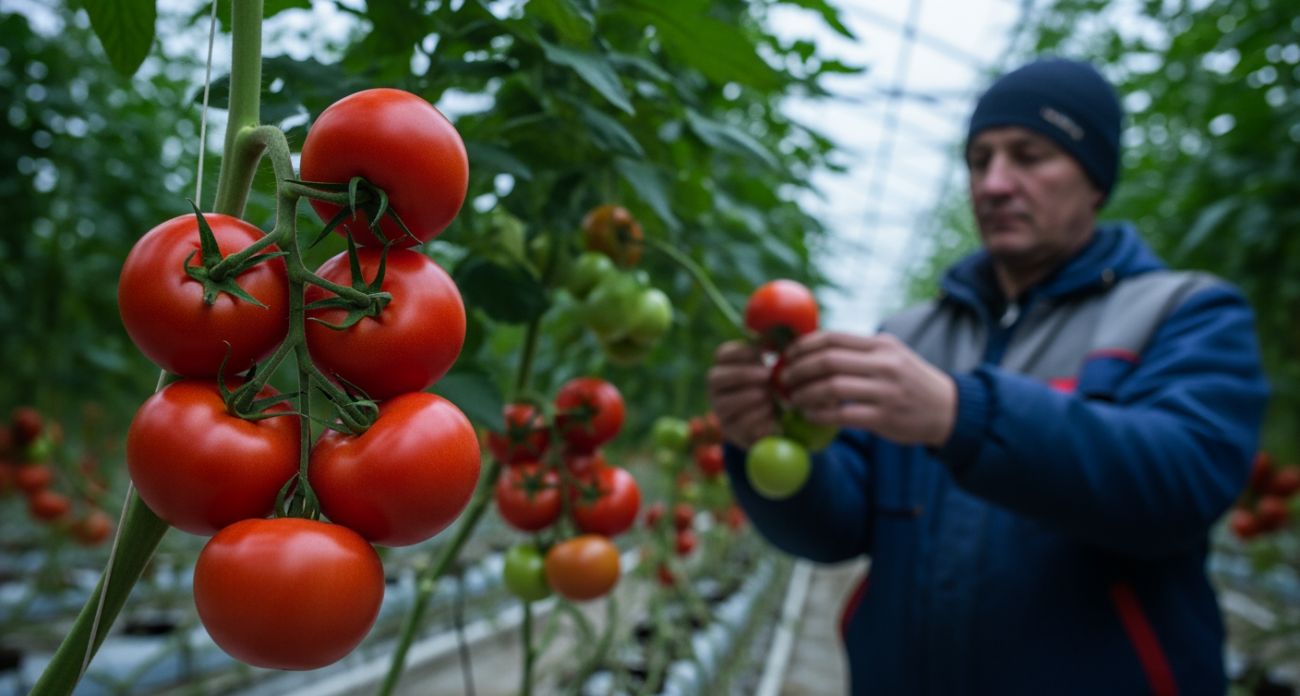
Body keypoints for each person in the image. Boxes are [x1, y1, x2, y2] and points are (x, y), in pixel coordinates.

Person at [708, 58, 1270, 696]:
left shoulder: (1181, 313)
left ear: (1095, 179)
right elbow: (836, 528)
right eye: (979, 160)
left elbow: (1180, 485)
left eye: (1029, 156)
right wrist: (763, 445)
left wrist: (961, 413)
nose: (995, 183)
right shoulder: (908, 335)